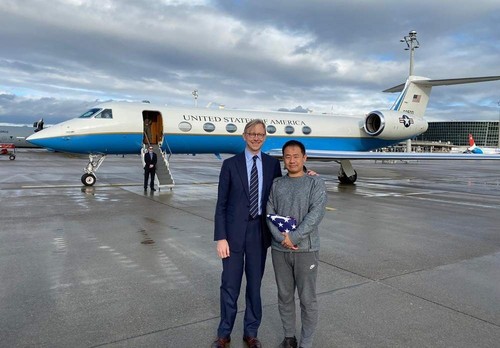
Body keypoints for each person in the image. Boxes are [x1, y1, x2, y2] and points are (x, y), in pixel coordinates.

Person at [212, 119, 282, 348]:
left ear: (265, 137)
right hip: (232, 235)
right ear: (244, 136)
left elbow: (281, 193)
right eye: (252, 134)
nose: (256, 137)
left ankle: (251, 332)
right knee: (230, 285)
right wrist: (220, 237)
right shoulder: (230, 165)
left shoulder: (272, 165)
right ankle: (224, 333)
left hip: (258, 233)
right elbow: (221, 204)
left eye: (260, 134)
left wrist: (305, 174)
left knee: (254, 285)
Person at [266, 140, 327, 348]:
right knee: (284, 295)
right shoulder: (276, 184)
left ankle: (306, 342)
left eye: (296, 156)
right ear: (283, 160)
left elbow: (316, 214)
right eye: (287, 156)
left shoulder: (315, 183)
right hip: (279, 249)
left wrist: (294, 237)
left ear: (304, 158)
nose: (291, 160)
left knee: (307, 298)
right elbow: (269, 213)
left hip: (306, 250)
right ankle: (289, 337)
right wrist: (280, 238)